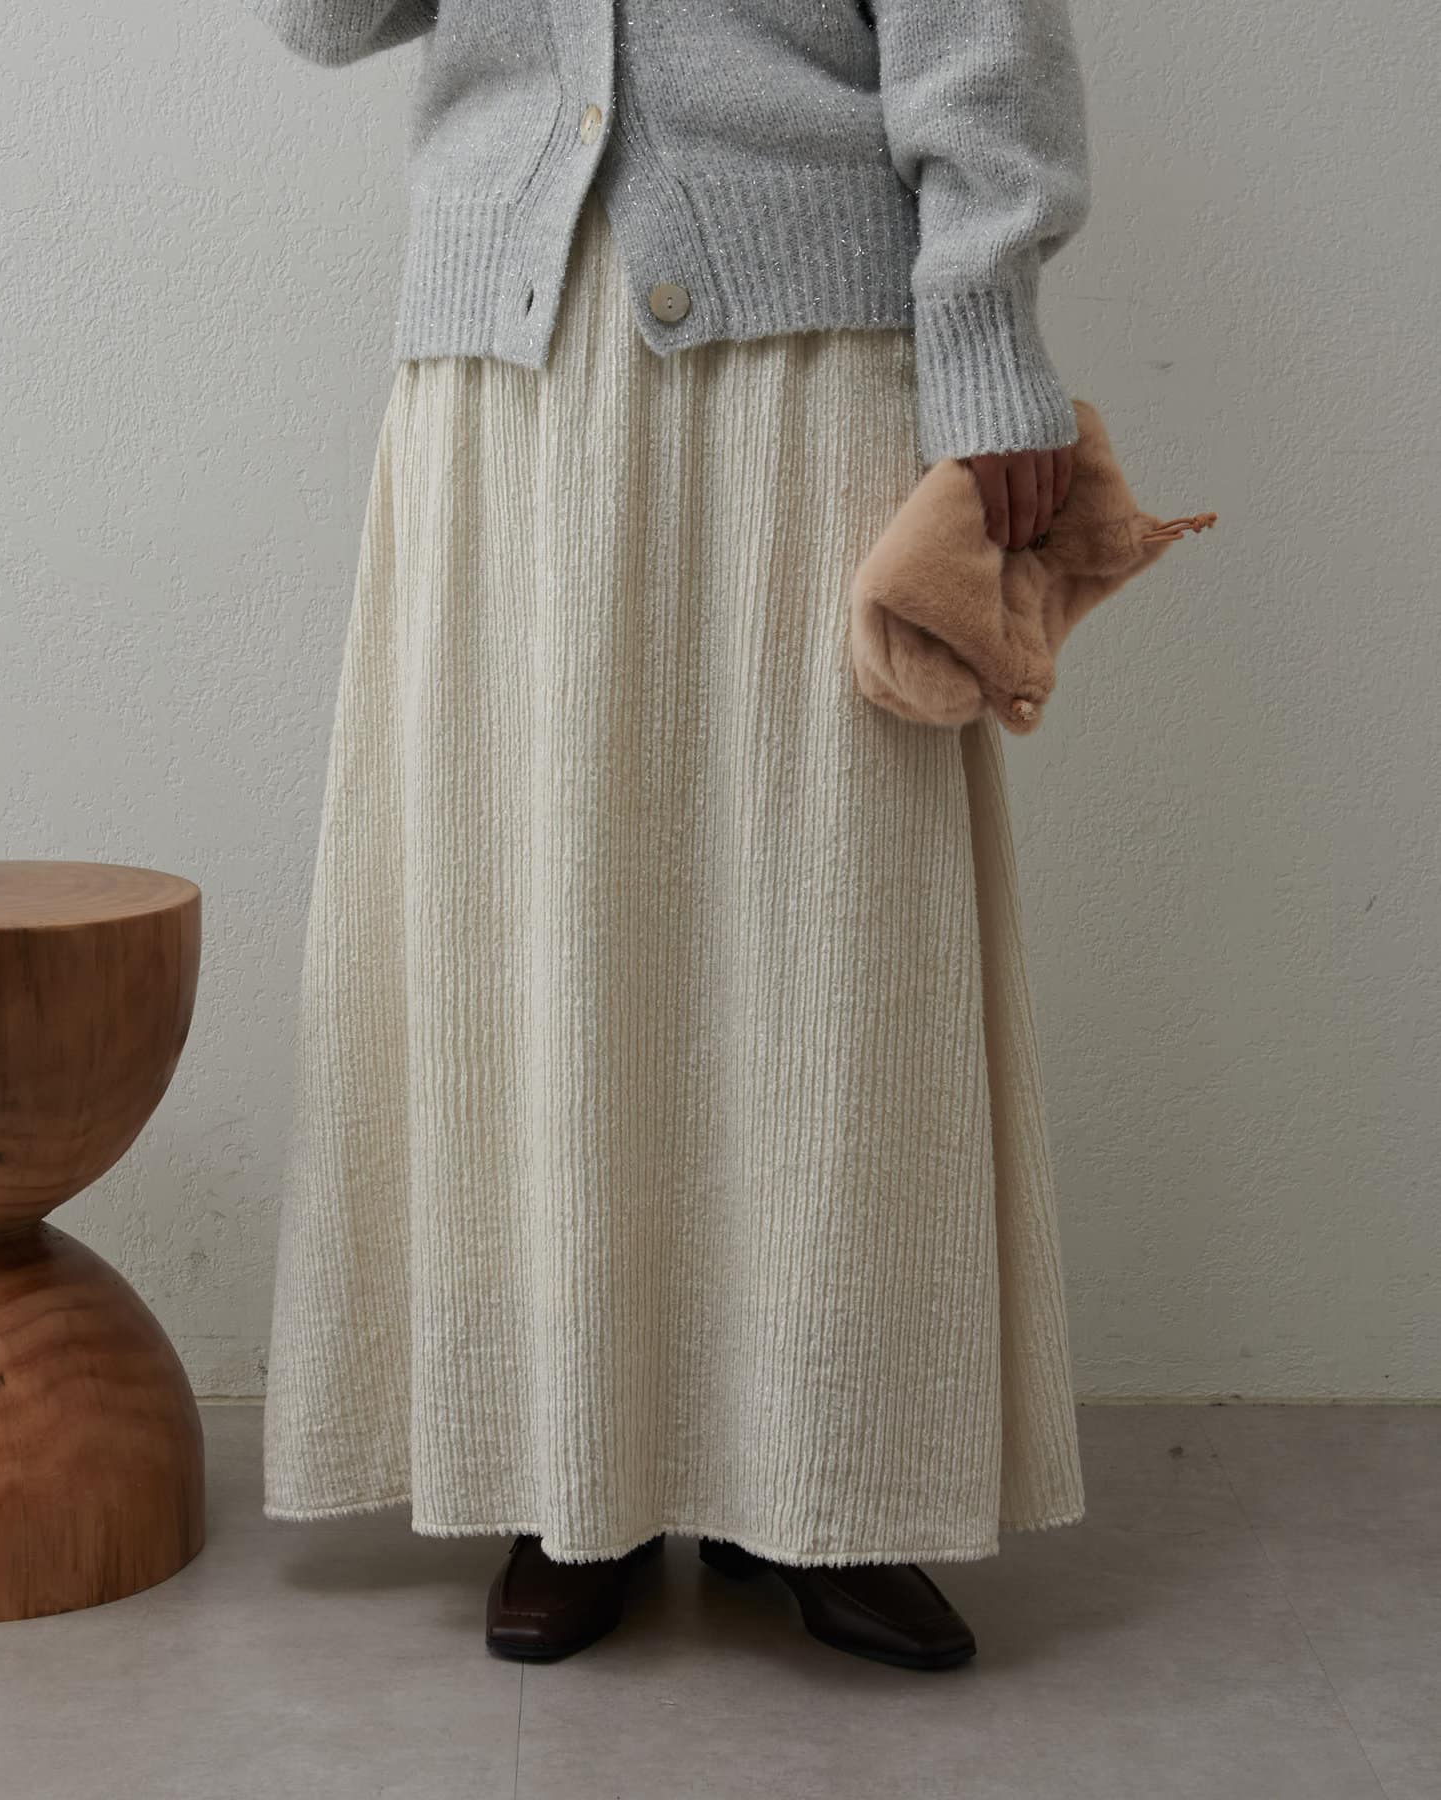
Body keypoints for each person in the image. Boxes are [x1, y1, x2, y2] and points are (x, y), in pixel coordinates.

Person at [250, 0, 1091, 1673]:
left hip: (811, 353)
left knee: (829, 934)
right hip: (513, 363)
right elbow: (324, 21)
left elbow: (980, 28)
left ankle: (827, 1476)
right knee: (533, 931)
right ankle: (572, 1474)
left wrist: (984, 331)